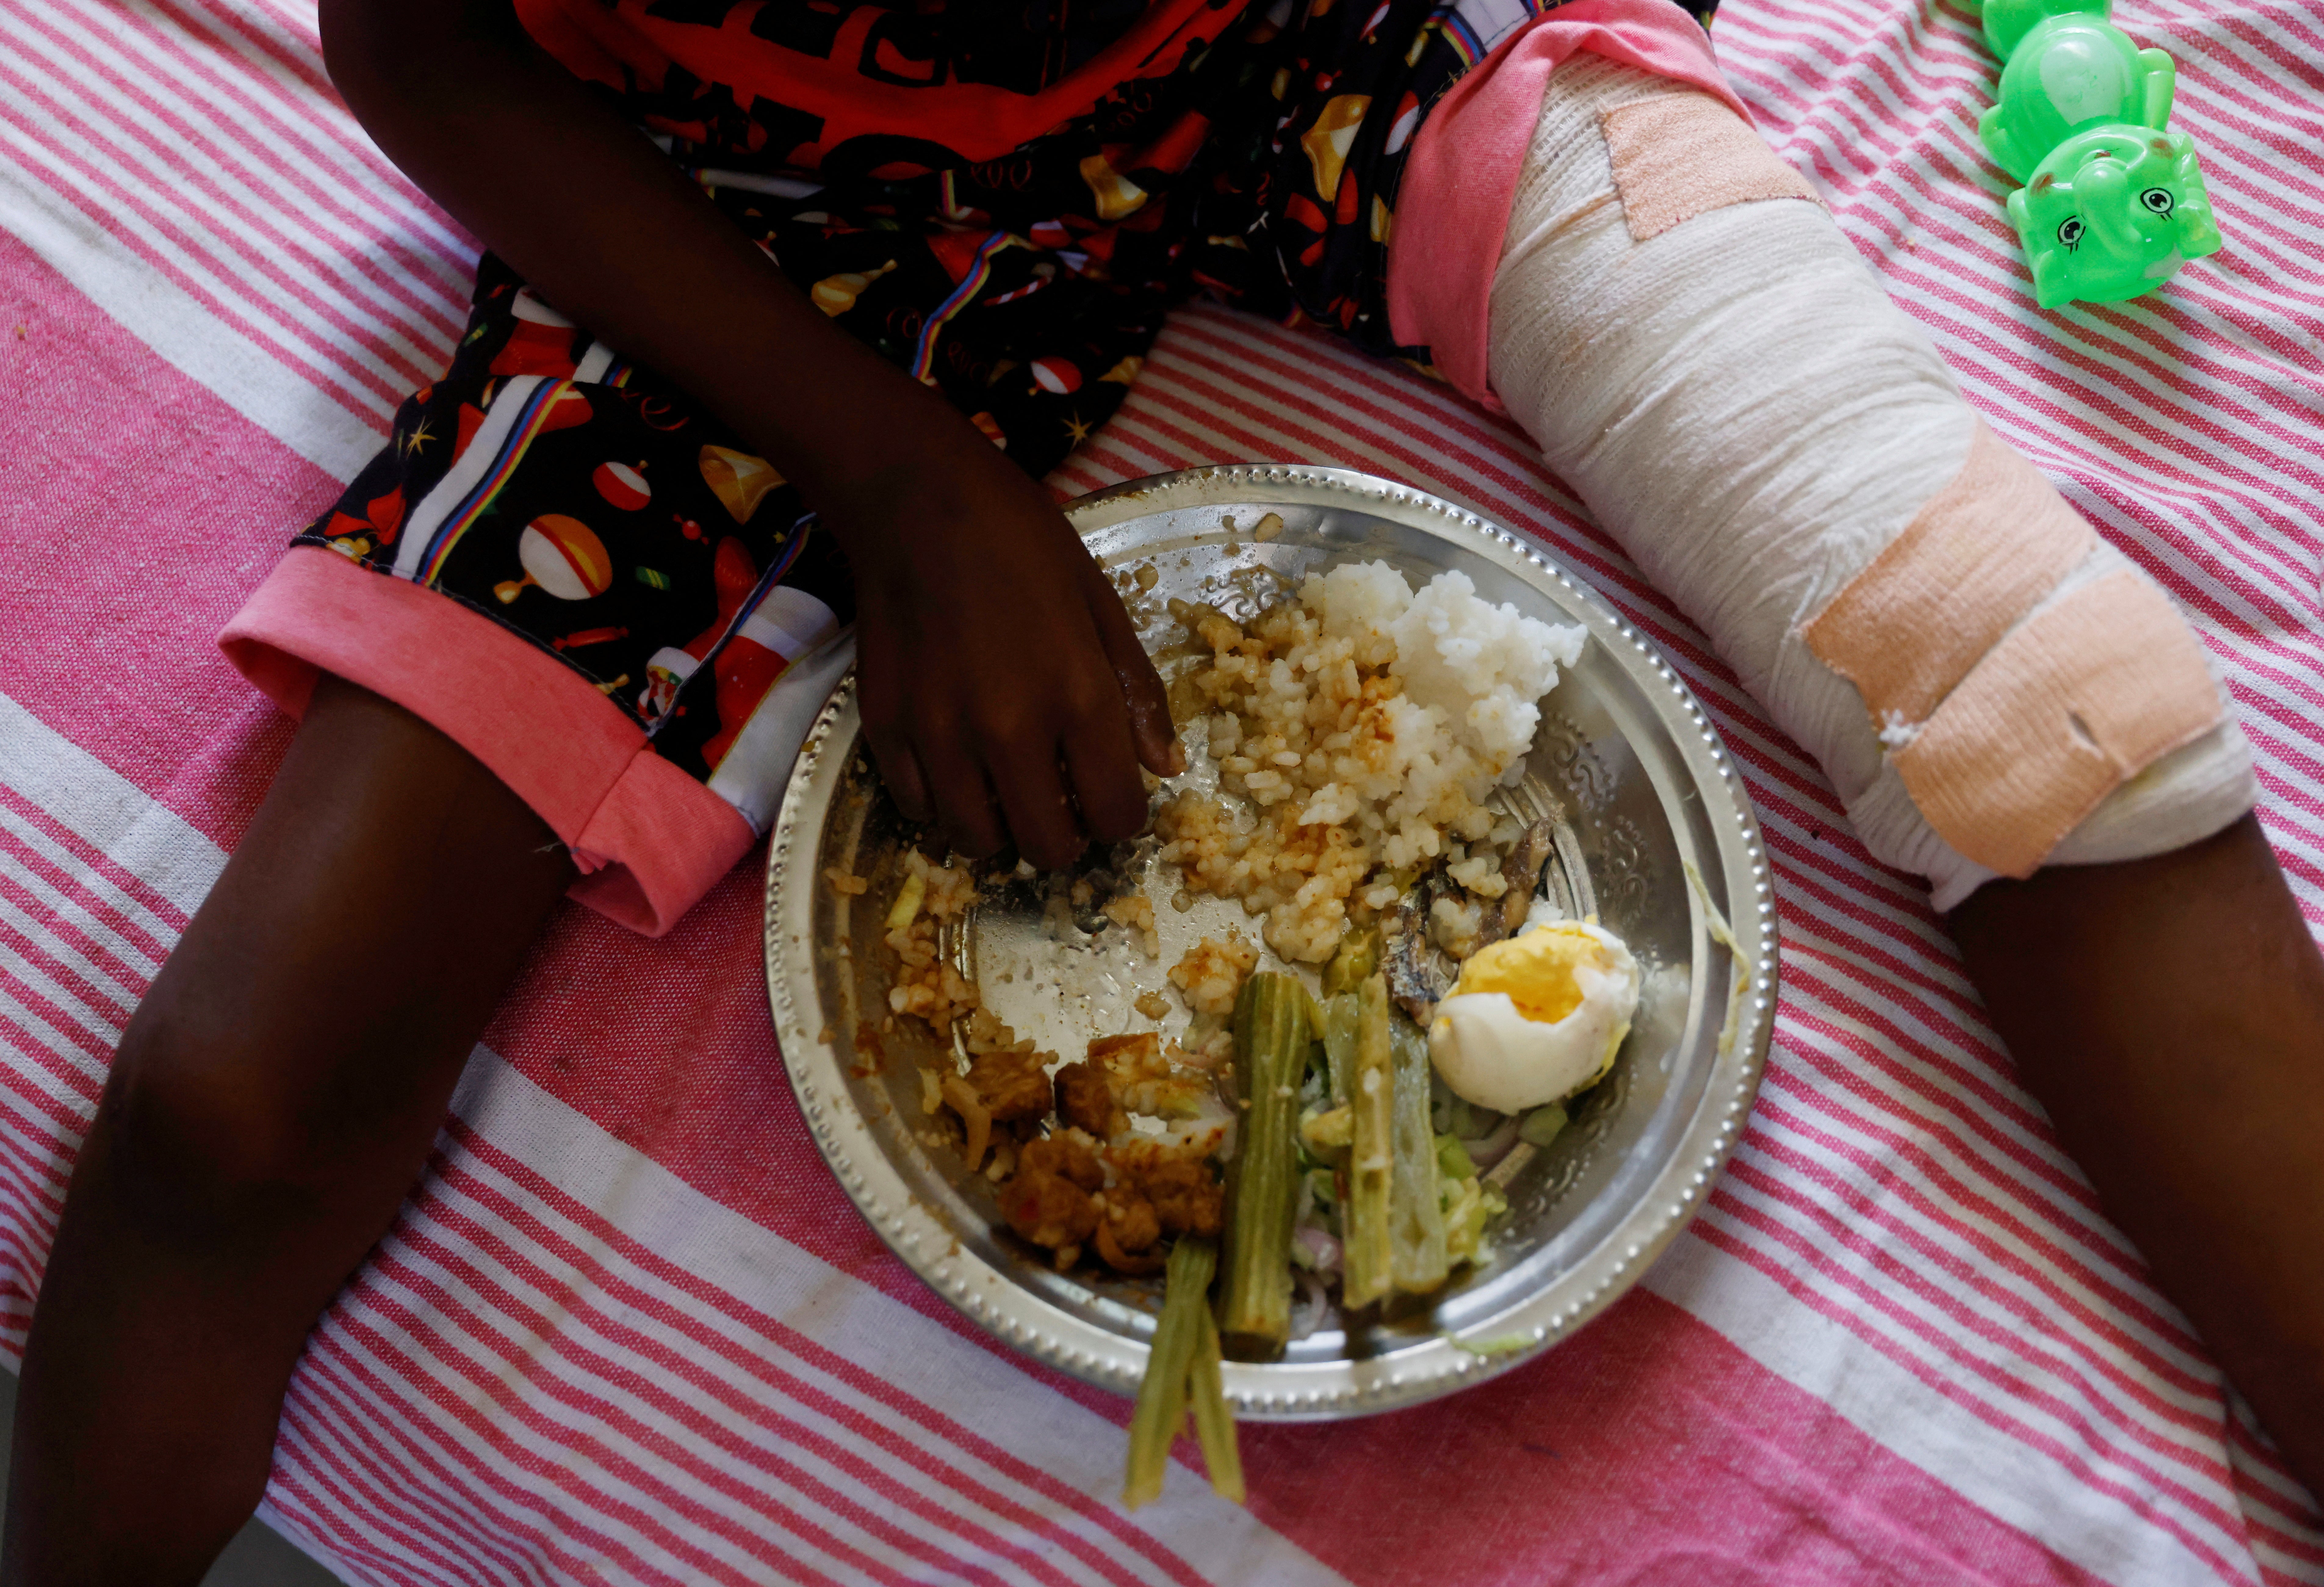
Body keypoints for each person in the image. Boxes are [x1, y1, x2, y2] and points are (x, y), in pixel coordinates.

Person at [6, 0, 2321, 1578]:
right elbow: (420, 43)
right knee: (228, 1119)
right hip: (745, 197)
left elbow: (2021, 718)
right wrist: (890, 471)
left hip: (1324, 51)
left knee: (2016, 685)